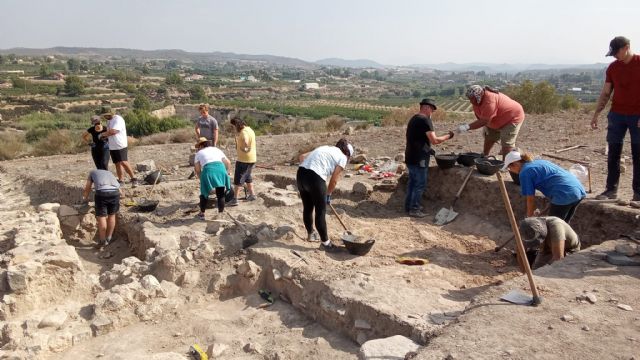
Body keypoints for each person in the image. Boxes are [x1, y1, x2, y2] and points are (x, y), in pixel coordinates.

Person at [590, 36, 640, 201]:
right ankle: (611, 190)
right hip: (617, 115)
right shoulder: (612, 68)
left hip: (637, 116)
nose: (614, 56)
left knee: (637, 154)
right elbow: (606, 92)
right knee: (613, 152)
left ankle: (638, 194)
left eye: (616, 52)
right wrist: (596, 114)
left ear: (626, 47)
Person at [297, 138, 354, 252]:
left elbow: (302, 156)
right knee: (320, 211)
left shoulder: (325, 147)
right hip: (315, 178)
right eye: (349, 158)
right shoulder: (342, 157)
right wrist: (327, 194)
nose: (347, 160)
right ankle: (326, 244)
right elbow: (334, 181)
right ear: (347, 154)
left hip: (301, 174)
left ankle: (311, 234)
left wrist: (309, 170)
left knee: (308, 207)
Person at [503, 150, 586, 224]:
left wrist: (529, 219)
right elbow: (554, 180)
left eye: (509, 167)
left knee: (553, 227)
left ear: (515, 163)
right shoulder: (539, 162)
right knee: (563, 225)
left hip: (564, 194)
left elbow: (530, 199)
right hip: (578, 189)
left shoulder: (525, 172)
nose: (510, 170)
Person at [404, 98, 454, 218]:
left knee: (412, 182)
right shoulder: (425, 120)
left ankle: (408, 206)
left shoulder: (414, 118)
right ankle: (415, 209)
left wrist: (428, 148)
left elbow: (417, 139)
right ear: (426, 108)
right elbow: (435, 140)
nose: (432, 113)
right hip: (419, 159)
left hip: (410, 156)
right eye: (432, 110)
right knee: (420, 184)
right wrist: (449, 136)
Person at [457, 85, 525, 157]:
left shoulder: (489, 101)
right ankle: (484, 156)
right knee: (489, 137)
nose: (470, 101)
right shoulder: (477, 102)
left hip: (512, 117)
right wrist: (486, 126)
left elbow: (484, 120)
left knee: (506, 143)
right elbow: (481, 118)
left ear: (478, 96)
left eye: (472, 99)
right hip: (497, 119)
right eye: (469, 99)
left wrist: (466, 127)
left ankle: (506, 165)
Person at [194, 137, 232, 220]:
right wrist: (227, 173)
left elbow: (197, 169)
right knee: (220, 193)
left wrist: (202, 179)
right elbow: (228, 162)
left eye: (198, 147)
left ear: (201, 146)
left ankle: (202, 214)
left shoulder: (199, 153)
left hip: (208, 170)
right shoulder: (216, 150)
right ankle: (220, 214)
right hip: (221, 169)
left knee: (204, 193)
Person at [98, 106, 138, 187]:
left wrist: (102, 134)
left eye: (105, 115)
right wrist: (105, 137)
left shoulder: (118, 119)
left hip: (120, 144)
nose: (104, 117)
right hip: (112, 145)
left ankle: (134, 179)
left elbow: (114, 131)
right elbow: (110, 132)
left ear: (109, 114)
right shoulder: (109, 121)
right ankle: (121, 180)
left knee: (123, 162)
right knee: (117, 163)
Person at [82, 169, 121, 247]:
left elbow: (88, 187)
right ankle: (109, 238)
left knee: (101, 217)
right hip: (115, 193)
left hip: (102, 194)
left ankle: (102, 241)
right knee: (112, 215)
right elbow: (120, 190)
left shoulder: (92, 172)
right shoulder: (110, 173)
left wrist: (85, 199)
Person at [228, 117, 257, 205]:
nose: (233, 128)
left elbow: (245, 140)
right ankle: (252, 195)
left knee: (238, 179)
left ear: (237, 125)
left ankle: (235, 199)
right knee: (247, 177)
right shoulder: (249, 129)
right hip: (251, 158)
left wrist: (244, 148)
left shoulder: (244, 132)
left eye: (233, 126)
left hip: (244, 159)